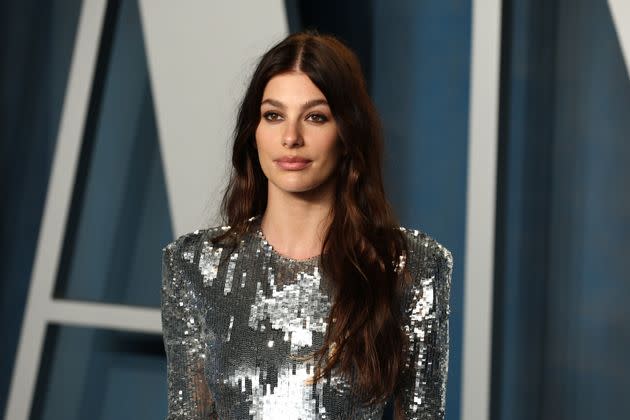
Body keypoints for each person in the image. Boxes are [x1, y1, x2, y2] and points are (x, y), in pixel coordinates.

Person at [160, 30, 453, 420]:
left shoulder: (409, 264)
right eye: (274, 115)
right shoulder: (195, 265)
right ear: (254, 133)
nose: (291, 137)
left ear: (347, 134)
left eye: (315, 117)